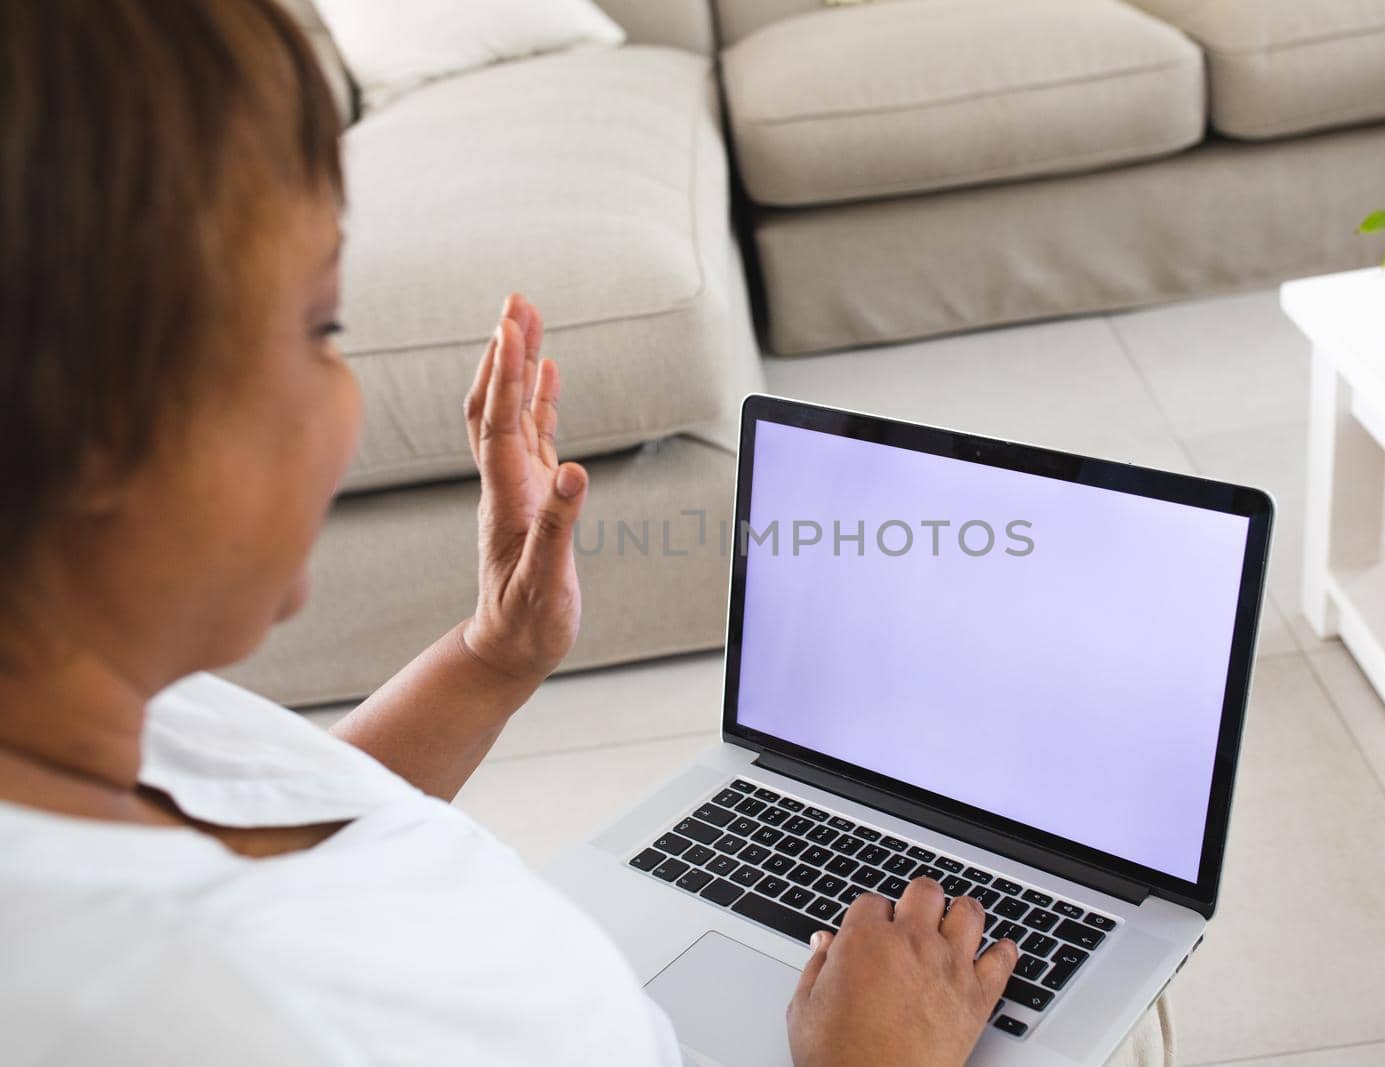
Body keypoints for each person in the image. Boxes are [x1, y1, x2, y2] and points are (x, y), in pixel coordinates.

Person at [0, 2, 1020, 1064]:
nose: (345, 393)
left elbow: (288, 831)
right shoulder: (186, 1014)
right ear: (92, 420)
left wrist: (491, 655)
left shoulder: (103, 711)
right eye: (318, 327)